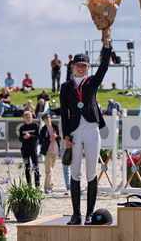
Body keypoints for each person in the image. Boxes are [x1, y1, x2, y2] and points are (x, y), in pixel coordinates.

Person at [60, 28, 111, 225]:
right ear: (73, 66)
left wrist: (106, 43)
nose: (81, 68)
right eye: (78, 65)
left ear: (88, 67)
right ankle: (76, 214)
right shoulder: (66, 87)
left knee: (91, 172)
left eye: (84, 65)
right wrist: (65, 135)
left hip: (91, 128)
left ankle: (90, 213)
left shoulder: (92, 82)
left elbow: (105, 66)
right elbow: (64, 112)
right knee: (75, 172)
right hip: (74, 130)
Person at [39, 113, 60, 194]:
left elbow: (60, 137)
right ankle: (48, 187)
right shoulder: (43, 129)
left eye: (49, 117)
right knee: (49, 171)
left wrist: (56, 136)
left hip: (56, 151)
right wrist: (50, 139)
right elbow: (41, 141)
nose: (48, 119)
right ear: (43, 120)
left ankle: (48, 187)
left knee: (51, 170)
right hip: (47, 152)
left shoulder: (55, 126)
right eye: (46, 118)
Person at [19, 111, 40, 187]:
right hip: (25, 150)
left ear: (32, 117)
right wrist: (24, 138)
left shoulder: (35, 126)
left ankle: (37, 186)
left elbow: (38, 137)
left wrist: (30, 136)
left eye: (29, 117)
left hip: (33, 149)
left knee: (35, 167)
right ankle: (29, 186)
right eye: (26, 117)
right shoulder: (22, 127)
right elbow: (20, 139)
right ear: (24, 118)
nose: (28, 119)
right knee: (27, 167)